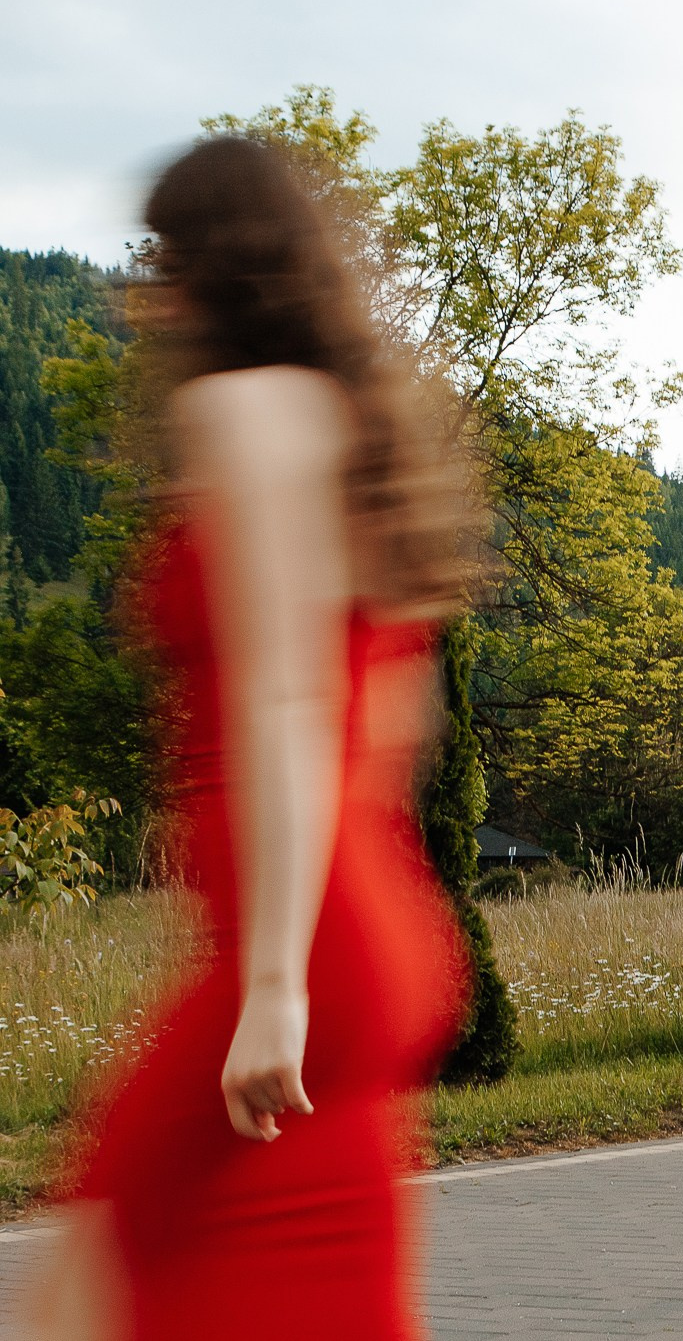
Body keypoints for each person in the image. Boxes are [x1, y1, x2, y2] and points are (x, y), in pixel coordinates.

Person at [23, 136, 475, 1340]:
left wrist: (276, 984)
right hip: (363, 923)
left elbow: (286, 696)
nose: (144, 290)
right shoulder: (364, 436)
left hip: (298, 952)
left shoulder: (238, 411)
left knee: (97, 1276)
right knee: (277, 1293)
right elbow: (395, 718)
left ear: (217, 265)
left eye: (162, 254)